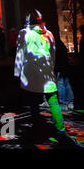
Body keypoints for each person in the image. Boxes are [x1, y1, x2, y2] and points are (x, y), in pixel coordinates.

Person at [15, 9, 80, 147]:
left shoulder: (24, 33)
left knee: (33, 104)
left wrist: (17, 73)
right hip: (47, 75)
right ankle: (61, 131)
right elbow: (53, 54)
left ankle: (37, 130)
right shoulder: (49, 33)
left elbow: (20, 55)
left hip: (30, 75)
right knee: (54, 102)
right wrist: (50, 68)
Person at [55, 36, 74, 111]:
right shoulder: (61, 46)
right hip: (65, 66)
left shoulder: (55, 47)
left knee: (60, 84)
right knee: (67, 83)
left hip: (59, 66)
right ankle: (70, 101)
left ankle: (64, 102)